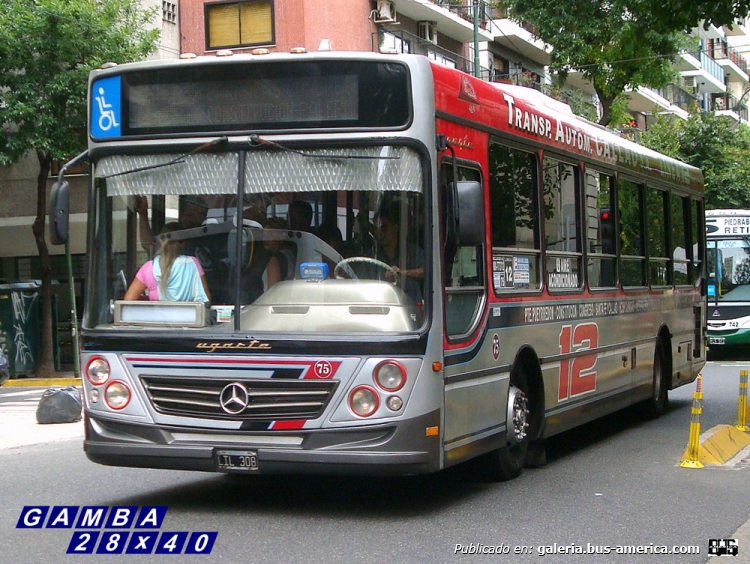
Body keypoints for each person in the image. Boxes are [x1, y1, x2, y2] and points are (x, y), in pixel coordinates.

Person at [124, 222, 211, 303]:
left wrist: (149, 300)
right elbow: (206, 298)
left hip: (157, 319)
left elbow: (129, 300)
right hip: (188, 319)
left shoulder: (149, 267)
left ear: (161, 241)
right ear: (184, 242)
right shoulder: (193, 263)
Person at [375, 206, 424, 304]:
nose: (380, 233)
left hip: (410, 311)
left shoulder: (413, 252)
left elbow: (427, 272)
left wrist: (402, 272)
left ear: (395, 228)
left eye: (383, 227)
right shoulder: (371, 256)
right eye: (376, 228)